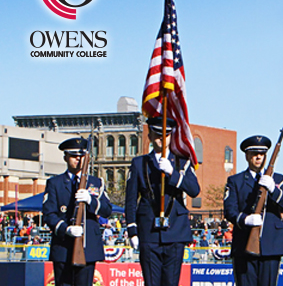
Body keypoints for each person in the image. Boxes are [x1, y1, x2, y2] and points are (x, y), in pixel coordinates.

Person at [125, 117, 201, 286]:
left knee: (171, 282)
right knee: (151, 282)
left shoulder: (182, 161)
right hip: (149, 232)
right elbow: (130, 200)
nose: (161, 138)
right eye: (157, 134)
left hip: (175, 231)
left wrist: (173, 173)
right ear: (150, 136)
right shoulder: (139, 163)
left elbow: (194, 190)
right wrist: (132, 230)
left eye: (166, 134)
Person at [224, 135, 283, 286]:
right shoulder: (236, 181)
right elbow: (229, 210)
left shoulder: (278, 179)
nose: (258, 158)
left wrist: (273, 190)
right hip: (244, 243)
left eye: (261, 154)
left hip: (271, 244)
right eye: (254, 154)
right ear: (247, 156)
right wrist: (245, 219)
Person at [43, 137, 112, 286]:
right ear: (65, 157)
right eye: (74, 156)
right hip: (63, 248)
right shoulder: (55, 183)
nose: (78, 160)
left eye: (81, 156)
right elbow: (49, 214)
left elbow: (107, 210)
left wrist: (91, 201)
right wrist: (65, 229)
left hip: (87, 248)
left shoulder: (96, 183)